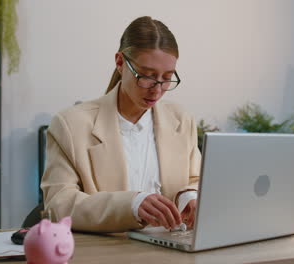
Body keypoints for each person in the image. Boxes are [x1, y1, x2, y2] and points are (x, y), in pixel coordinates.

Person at [41, 16, 201, 233]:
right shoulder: (70, 125)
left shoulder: (182, 120)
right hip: (110, 250)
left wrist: (189, 196)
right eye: (147, 76)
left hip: (171, 248)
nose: (157, 89)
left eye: (167, 78)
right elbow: (59, 204)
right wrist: (132, 205)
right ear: (119, 63)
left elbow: (196, 178)